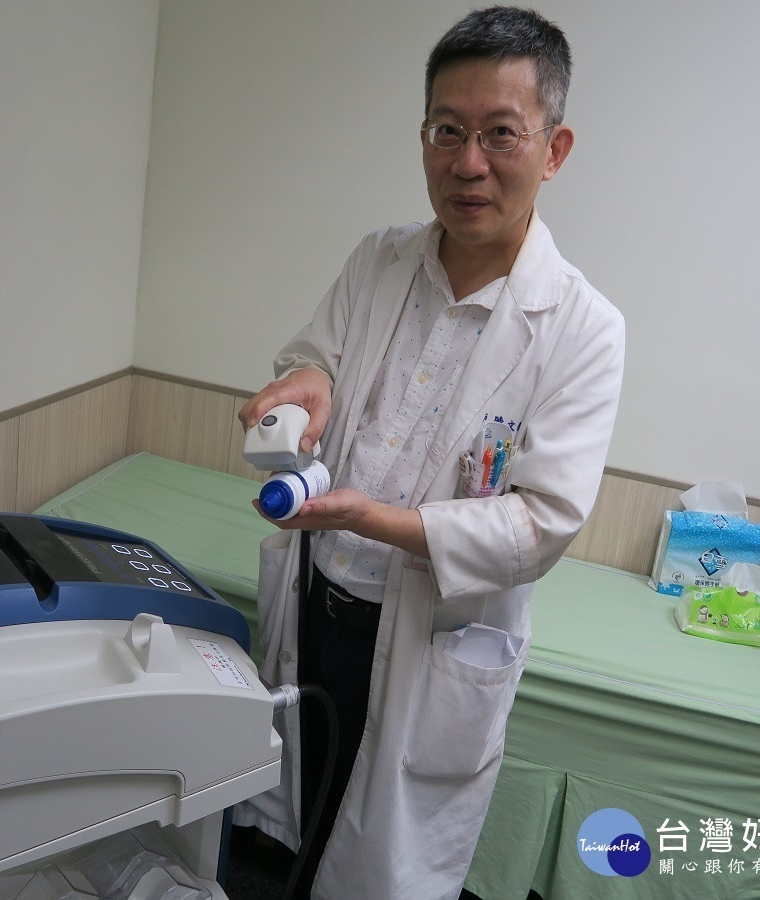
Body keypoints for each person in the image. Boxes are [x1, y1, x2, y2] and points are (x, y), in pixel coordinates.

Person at [234, 6, 625, 899]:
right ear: (423, 138)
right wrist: (307, 381)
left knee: (375, 867)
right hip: (314, 601)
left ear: (555, 149)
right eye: (448, 131)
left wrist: (383, 521)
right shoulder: (378, 260)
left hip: (428, 638)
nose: (468, 163)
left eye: (501, 134)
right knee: (293, 828)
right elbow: (316, 358)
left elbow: (544, 522)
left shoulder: (584, 328)